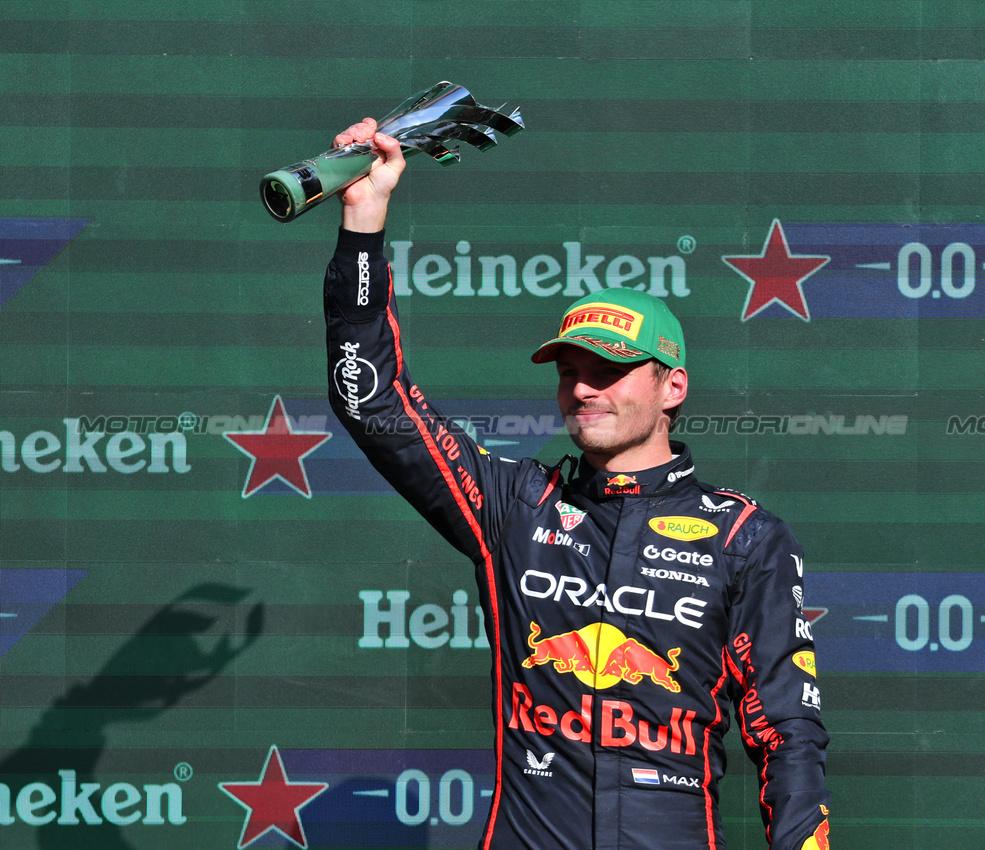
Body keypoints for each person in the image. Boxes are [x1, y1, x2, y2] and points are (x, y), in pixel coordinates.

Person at [324, 118, 831, 850]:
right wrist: (363, 221)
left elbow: (786, 730)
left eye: (609, 371)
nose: (584, 390)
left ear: (671, 386)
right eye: (569, 371)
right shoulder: (513, 507)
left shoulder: (743, 537)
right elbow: (371, 399)